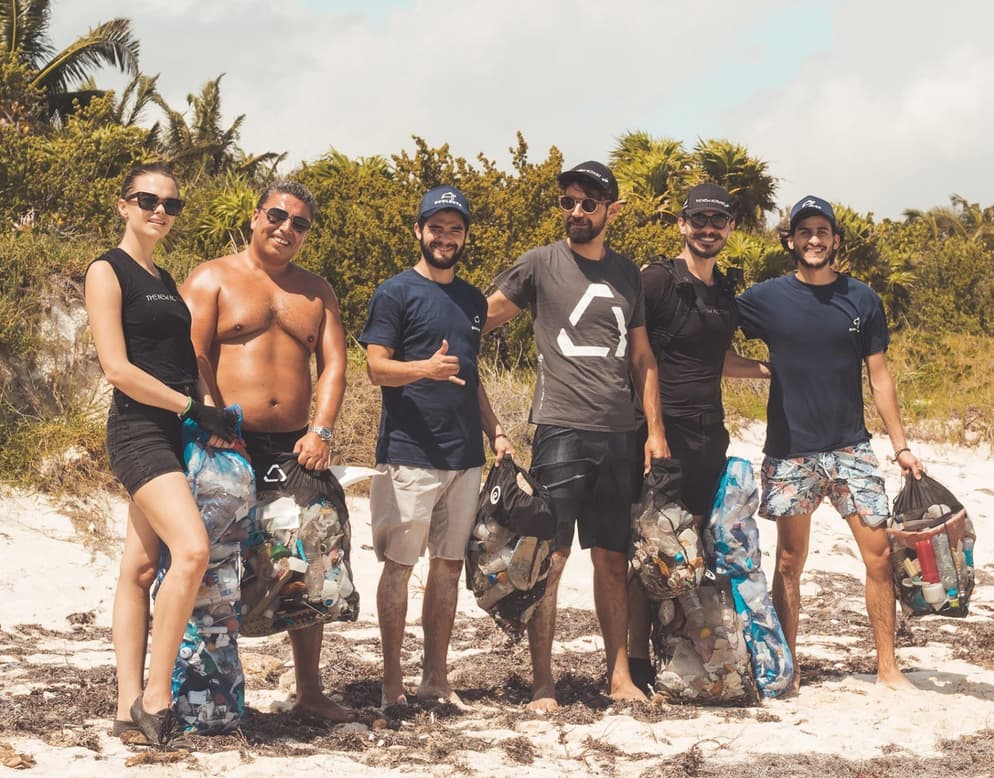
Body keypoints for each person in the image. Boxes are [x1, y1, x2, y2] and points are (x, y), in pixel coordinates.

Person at [484, 160, 669, 710]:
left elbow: (642, 356)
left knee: (613, 560)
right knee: (551, 559)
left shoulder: (628, 273)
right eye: (568, 201)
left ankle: (620, 681)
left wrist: (653, 432)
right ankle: (544, 685)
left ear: (611, 209)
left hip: (620, 434)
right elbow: (476, 318)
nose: (576, 211)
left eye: (589, 203)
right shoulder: (540, 264)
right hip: (561, 431)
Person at [181, 180, 354, 721]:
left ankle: (309, 691)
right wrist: (211, 415)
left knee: (311, 562)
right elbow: (192, 353)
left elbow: (335, 365)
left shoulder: (315, 290)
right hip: (226, 439)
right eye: (277, 216)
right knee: (215, 567)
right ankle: (212, 693)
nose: (286, 228)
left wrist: (322, 431)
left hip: (297, 447)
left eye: (299, 223)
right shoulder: (213, 277)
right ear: (256, 216)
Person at [736, 195, 924, 690]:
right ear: (791, 241)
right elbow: (706, 334)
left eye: (822, 231)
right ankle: (788, 669)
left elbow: (880, 378)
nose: (814, 240)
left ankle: (888, 667)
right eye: (804, 232)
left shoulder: (862, 299)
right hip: (790, 449)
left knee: (879, 555)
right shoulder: (766, 299)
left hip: (851, 448)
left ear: (835, 240)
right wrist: (761, 370)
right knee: (790, 562)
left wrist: (900, 446)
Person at [85, 163, 239, 745]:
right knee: (192, 550)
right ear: (123, 205)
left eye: (171, 204)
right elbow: (118, 369)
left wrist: (211, 411)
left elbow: (188, 359)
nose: (160, 211)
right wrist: (189, 408)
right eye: (148, 200)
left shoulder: (166, 277)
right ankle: (156, 696)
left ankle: (127, 709)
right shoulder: (108, 270)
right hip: (138, 430)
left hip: (179, 430)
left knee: (142, 568)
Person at [360, 185, 513, 706]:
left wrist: (495, 429)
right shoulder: (395, 292)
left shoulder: (473, 300)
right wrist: (423, 369)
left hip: (465, 456)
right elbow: (375, 367)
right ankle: (390, 682)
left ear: (465, 235)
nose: (445, 238)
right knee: (399, 567)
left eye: (455, 229)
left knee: (448, 568)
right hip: (408, 453)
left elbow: (471, 376)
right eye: (436, 228)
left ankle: (436, 679)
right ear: (418, 231)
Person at [626, 183, 770, 692]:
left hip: (711, 435)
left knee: (695, 554)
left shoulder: (723, 293)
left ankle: (683, 660)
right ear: (682, 225)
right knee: (654, 550)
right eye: (699, 219)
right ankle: (635, 667)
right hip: (662, 435)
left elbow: (714, 360)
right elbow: (637, 355)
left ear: (729, 229)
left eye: (718, 221)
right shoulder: (657, 281)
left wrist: (769, 370)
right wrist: (654, 434)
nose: (708, 229)